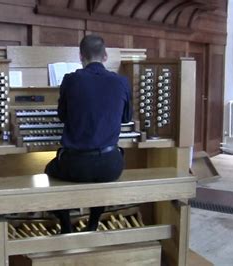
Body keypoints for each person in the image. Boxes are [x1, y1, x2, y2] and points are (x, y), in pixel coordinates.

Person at [44, 34, 132, 233]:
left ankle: (66, 225)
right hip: (111, 164)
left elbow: (62, 116)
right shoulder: (122, 82)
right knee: (100, 174)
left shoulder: (70, 80)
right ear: (106, 56)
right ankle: (93, 223)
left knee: (48, 172)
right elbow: (126, 118)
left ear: (81, 56)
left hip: (76, 164)